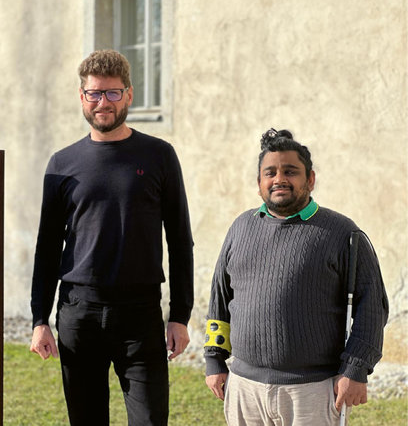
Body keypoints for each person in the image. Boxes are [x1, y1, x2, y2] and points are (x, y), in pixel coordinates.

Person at [29, 49, 194, 426]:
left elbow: (180, 239)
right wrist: (40, 318)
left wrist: (180, 315)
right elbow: (48, 247)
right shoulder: (61, 164)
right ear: (82, 97)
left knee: (150, 420)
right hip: (79, 313)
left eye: (113, 93)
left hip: (140, 314)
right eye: (94, 93)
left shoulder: (159, 156)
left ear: (129, 95)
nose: (103, 102)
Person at [204, 128, 388, 426]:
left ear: (310, 179)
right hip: (244, 388)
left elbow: (373, 308)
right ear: (259, 183)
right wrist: (214, 358)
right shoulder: (240, 228)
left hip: (312, 391)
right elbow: (220, 299)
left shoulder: (342, 233)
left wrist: (355, 369)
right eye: (270, 173)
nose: (279, 179)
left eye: (290, 171)